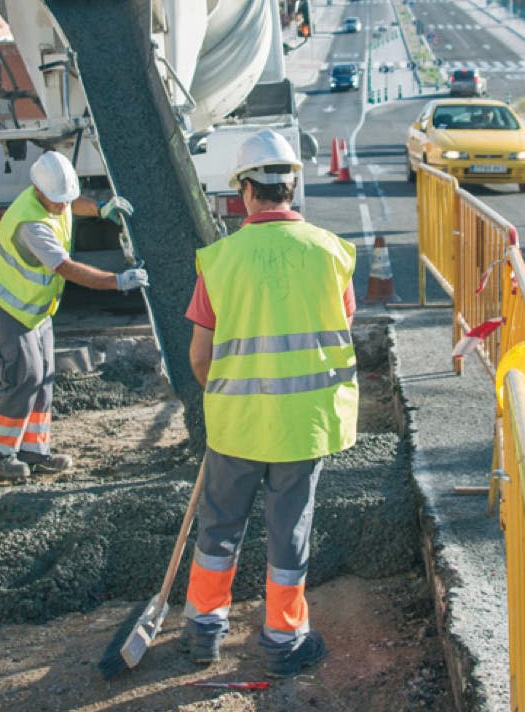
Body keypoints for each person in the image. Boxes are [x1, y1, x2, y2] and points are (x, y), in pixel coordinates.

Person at [178, 129, 359, 678]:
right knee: (289, 532)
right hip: (303, 427)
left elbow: (200, 355)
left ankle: (203, 632)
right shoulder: (331, 253)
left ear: (246, 192)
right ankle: (283, 639)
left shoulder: (221, 260)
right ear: (292, 187)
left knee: (219, 529)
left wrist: (227, 395)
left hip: (236, 425)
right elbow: (339, 327)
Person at [0, 150, 148, 477]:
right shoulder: (31, 224)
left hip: (36, 308)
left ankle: (34, 451)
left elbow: (74, 203)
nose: (62, 206)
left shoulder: (55, 201)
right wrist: (117, 281)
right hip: (10, 308)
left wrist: (101, 208)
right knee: (24, 377)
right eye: (57, 200)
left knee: (43, 380)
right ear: (38, 191)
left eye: (65, 199)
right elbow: (68, 269)